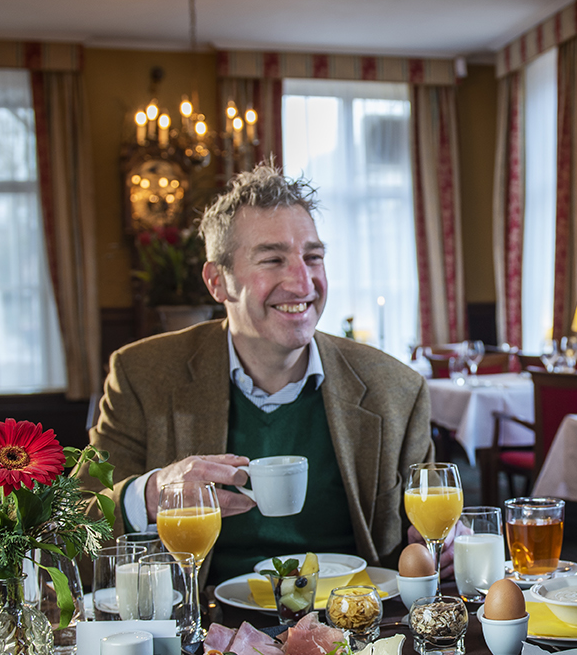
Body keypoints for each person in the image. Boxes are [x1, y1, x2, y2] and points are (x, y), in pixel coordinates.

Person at [92, 165, 433, 580]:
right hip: (199, 629)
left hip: (355, 626)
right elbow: (75, 527)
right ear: (219, 282)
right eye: (272, 259)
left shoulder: (395, 388)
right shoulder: (143, 374)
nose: (302, 281)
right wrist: (150, 493)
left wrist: (440, 546)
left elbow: (422, 537)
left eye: (313, 257)